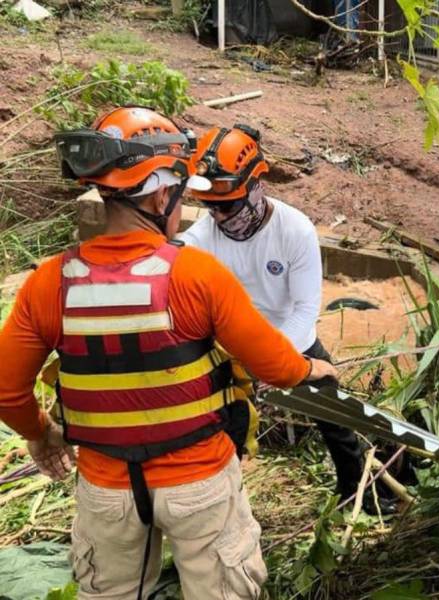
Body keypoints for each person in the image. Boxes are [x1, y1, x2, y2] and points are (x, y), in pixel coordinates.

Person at [0, 107, 337, 599]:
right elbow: (274, 366)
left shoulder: (49, 282)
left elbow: (8, 392)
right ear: (161, 194)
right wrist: (314, 366)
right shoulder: (196, 274)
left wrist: (43, 434)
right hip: (198, 484)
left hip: (106, 490)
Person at [180, 124, 389, 512]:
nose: (220, 216)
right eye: (211, 207)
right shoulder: (204, 234)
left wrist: (271, 360)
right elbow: (176, 257)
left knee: (335, 414)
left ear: (259, 185)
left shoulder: (295, 230)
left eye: (228, 206)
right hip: (234, 345)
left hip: (291, 336)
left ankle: (358, 493)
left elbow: (305, 309)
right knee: (225, 425)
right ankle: (218, 503)